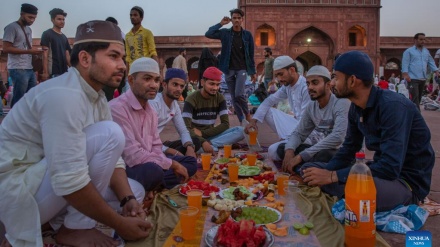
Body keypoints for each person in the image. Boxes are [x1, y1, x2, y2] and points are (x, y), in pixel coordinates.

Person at [0, 20, 151, 247]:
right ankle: (75, 228)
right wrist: (119, 224)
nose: (122, 65)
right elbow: (69, 178)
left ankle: (56, 222)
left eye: (123, 58)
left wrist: (127, 200)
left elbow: (114, 161)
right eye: (113, 56)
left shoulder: (97, 96)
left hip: (45, 183)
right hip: (16, 192)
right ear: (85, 59)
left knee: (135, 192)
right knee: (110, 133)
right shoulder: (64, 95)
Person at [301, 51, 435, 212]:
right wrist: (326, 171)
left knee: (359, 192)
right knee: (308, 169)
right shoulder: (356, 108)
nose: (332, 83)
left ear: (352, 80)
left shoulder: (393, 107)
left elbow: (390, 167)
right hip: (378, 172)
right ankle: (343, 188)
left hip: (404, 182)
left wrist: (331, 176)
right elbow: (349, 148)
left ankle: (354, 193)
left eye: (336, 77)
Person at [110, 58, 197, 192]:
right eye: (147, 79)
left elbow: (156, 145)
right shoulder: (118, 108)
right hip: (124, 168)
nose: (153, 85)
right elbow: (132, 155)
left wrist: (171, 159)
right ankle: (155, 183)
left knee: (190, 163)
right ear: (131, 80)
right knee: (154, 171)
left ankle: (155, 184)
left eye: (156, 80)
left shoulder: (149, 111)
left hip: (150, 159)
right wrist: (171, 163)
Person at [278, 65, 350, 175]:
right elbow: (299, 133)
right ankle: (306, 170)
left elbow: (338, 137)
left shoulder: (341, 102)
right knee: (282, 148)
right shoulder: (312, 106)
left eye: (315, 83)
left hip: (339, 152)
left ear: (328, 85)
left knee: (324, 155)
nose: (310, 87)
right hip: (320, 150)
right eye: (308, 83)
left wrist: (302, 156)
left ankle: (304, 170)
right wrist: (289, 150)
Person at [245, 55, 312, 160]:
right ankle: (287, 140)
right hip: (296, 125)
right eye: (277, 76)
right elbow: (269, 101)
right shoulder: (287, 86)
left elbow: (305, 123)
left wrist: (290, 140)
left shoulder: (306, 88)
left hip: (309, 133)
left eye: (281, 74)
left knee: (272, 151)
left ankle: (290, 142)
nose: (279, 79)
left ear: (292, 70)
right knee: (267, 110)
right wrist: (253, 121)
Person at [205, 8, 256, 123]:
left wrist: (252, 71)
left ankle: (247, 113)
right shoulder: (225, 33)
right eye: (234, 18)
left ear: (242, 20)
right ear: (231, 20)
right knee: (234, 97)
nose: (237, 20)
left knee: (239, 94)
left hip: (242, 68)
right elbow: (208, 33)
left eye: (239, 18)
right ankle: (242, 120)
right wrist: (221, 23)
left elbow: (251, 54)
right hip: (228, 69)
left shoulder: (247, 35)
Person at [182, 66, 245, 154]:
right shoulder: (191, 99)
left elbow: (225, 124)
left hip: (210, 136)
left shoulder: (220, 98)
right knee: (189, 144)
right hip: (194, 137)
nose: (215, 88)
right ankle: (215, 146)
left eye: (217, 84)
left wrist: (203, 134)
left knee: (241, 131)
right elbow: (185, 128)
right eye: (211, 84)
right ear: (202, 82)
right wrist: (201, 140)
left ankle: (211, 146)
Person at [149, 68, 201, 157]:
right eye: (175, 84)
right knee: (172, 158)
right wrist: (174, 152)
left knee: (195, 142)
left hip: (159, 145)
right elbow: (147, 139)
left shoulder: (174, 105)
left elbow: (183, 130)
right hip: (147, 145)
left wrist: (190, 147)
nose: (179, 89)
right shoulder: (154, 103)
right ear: (164, 84)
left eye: (181, 86)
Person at [2, 3, 43, 107]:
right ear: (22, 14)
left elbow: (25, 47)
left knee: (31, 97)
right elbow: (6, 48)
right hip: (17, 68)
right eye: (30, 17)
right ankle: (14, 121)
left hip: (29, 68)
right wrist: (29, 51)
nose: (32, 20)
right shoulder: (11, 27)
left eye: (34, 18)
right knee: (19, 98)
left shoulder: (29, 29)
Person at [402, 33, 439, 110]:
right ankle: (417, 117)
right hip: (412, 78)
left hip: (422, 78)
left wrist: (436, 71)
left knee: (418, 99)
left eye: (424, 39)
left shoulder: (426, 51)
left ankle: (411, 114)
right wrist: (405, 74)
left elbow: (431, 62)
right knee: (415, 98)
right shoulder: (409, 51)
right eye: (421, 39)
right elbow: (405, 63)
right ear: (415, 40)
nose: (423, 41)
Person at [40, 8, 71, 81]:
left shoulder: (64, 37)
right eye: (59, 19)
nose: (62, 21)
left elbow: (67, 55)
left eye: (63, 20)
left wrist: (74, 70)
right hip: (53, 72)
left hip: (64, 72)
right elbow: (45, 54)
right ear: (52, 20)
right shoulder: (47, 34)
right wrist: (45, 72)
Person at [125, 6, 158, 72]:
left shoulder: (147, 33)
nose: (132, 17)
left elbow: (152, 52)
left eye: (135, 15)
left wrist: (156, 71)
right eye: (131, 15)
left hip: (145, 68)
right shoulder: (127, 36)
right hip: (133, 70)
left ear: (141, 18)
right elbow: (128, 56)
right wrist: (126, 75)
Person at [102, 16, 126, 101]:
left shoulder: (121, 37)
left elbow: (124, 55)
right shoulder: (102, 38)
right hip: (107, 72)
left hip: (117, 72)